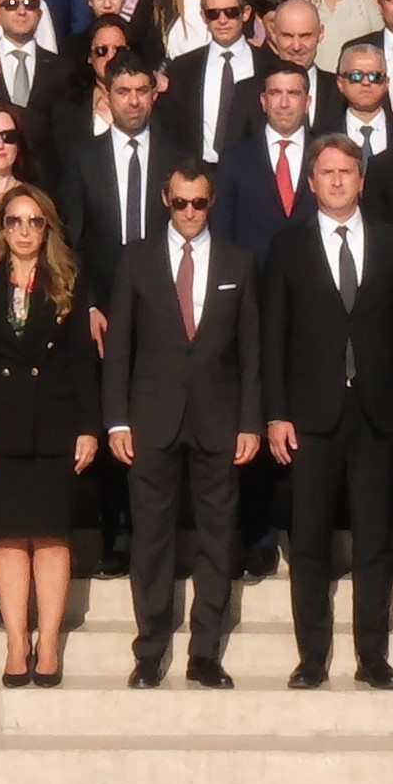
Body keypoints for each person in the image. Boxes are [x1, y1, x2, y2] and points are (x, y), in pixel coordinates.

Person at [255, 134, 393, 692]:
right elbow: (273, 337)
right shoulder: (286, 247)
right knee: (308, 540)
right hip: (310, 415)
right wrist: (275, 413)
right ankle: (312, 658)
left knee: (375, 539)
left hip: (376, 412)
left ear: (361, 180)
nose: (336, 181)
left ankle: (372, 657)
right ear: (311, 181)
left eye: (346, 172)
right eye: (326, 173)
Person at [106, 158, 258, 688]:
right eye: (179, 202)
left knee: (217, 539)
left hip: (220, 420)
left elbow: (251, 352)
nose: (189, 212)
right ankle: (149, 649)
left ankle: (204, 653)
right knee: (151, 537)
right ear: (165, 202)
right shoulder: (137, 260)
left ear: (210, 201)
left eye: (199, 202)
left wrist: (251, 422)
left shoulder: (239, 261)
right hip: (151, 419)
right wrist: (116, 421)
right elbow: (119, 347)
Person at [0, 176, 103, 688]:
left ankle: (50, 642)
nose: (23, 229)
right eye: (14, 220)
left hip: (55, 423)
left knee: (53, 539)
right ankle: (18, 641)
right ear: (2, 227)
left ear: (47, 227)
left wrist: (89, 425)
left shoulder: (68, 279)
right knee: (9, 538)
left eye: (33, 221)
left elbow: (84, 359)